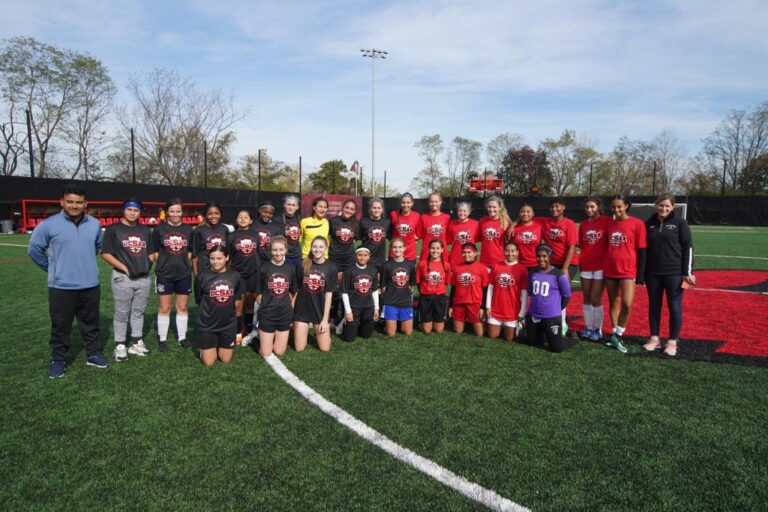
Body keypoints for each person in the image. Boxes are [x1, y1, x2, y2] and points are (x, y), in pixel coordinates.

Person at [28, 184, 110, 378]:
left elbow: (97, 246)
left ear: (85, 203)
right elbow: (34, 250)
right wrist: (54, 269)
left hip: (90, 284)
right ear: (62, 202)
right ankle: (58, 359)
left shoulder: (94, 224)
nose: (74, 206)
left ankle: (94, 354)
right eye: (70, 202)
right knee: (60, 326)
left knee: (90, 323)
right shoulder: (49, 224)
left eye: (79, 202)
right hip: (61, 286)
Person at [101, 198, 156, 361]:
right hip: (123, 278)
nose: (132, 213)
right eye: (129, 210)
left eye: (136, 210)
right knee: (122, 312)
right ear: (123, 210)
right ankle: (120, 345)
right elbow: (105, 253)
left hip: (143, 278)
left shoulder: (145, 230)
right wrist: (125, 268)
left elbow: (151, 252)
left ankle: (136, 342)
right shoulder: (113, 229)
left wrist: (147, 265)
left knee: (138, 311)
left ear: (140, 212)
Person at [643, 193, 695, 357]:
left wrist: (686, 272)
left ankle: (672, 341)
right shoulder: (648, 224)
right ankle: (654, 339)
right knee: (654, 306)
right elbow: (643, 250)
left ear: (673, 207)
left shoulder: (680, 223)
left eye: (667, 206)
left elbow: (688, 247)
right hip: (652, 273)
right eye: (660, 205)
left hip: (674, 273)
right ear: (655, 205)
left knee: (674, 306)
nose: (663, 208)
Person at [604, 195, 647, 354]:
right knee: (613, 302)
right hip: (609, 269)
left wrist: (641, 274)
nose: (616, 209)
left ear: (627, 206)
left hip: (628, 270)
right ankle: (614, 335)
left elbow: (642, 250)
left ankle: (619, 334)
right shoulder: (608, 223)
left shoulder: (637, 224)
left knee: (627, 304)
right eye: (613, 207)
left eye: (619, 206)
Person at [152, 198, 193, 351]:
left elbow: (190, 251)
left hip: (183, 274)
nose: (175, 214)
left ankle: (182, 337)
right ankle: (162, 339)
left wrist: (182, 263)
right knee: (164, 307)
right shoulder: (159, 229)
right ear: (166, 212)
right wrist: (164, 263)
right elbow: (155, 251)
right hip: (164, 274)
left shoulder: (188, 230)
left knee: (182, 306)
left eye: (178, 211)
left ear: (182, 212)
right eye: (172, 211)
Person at [194, 245, 243, 366]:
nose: (215, 262)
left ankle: (216, 345)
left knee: (225, 359)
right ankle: (205, 349)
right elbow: (199, 300)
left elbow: (237, 301)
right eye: (212, 258)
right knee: (209, 362)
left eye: (219, 258)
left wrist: (238, 329)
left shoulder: (235, 276)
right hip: (208, 325)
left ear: (227, 258)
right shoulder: (201, 277)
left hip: (228, 325)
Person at [256, 236, 298, 357]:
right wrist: (265, 306)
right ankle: (256, 338)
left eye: (280, 250)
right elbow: (257, 292)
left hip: (284, 314)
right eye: (274, 250)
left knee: (279, 352)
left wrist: (290, 306)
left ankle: (268, 337)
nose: (278, 253)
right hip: (267, 314)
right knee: (266, 352)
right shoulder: (263, 268)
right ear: (270, 251)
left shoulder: (290, 268)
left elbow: (294, 290)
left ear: (285, 250)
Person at [525, 245, 573, 353]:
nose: (541, 259)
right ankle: (543, 333)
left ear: (549, 257)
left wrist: (557, 309)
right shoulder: (532, 273)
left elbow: (567, 295)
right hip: (534, 315)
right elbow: (530, 291)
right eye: (538, 256)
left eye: (544, 256)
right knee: (532, 342)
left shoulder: (558, 275)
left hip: (551, 316)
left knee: (556, 348)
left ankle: (569, 339)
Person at [293, 236, 337, 352]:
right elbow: (296, 289)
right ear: (311, 248)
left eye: (321, 247)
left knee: (325, 348)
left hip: (319, 310)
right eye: (315, 246)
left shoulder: (331, 267)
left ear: (326, 248)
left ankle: (324, 333)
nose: (318, 250)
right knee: (299, 348)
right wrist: (292, 310)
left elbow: (329, 295)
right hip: (302, 310)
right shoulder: (302, 265)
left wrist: (325, 320)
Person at [578, 197, 610, 342]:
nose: (589, 210)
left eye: (592, 206)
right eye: (586, 207)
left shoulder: (607, 221)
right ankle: (588, 327)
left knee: (595, 298)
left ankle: (598, 329)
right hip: (585, 264)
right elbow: (581, 244)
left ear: (598, 207)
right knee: (586, 297)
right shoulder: (583, 224)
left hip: (601, 266)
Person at [227, 209, 260, 343]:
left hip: (252, 273)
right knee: (238, 305)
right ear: (236, 220)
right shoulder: (231, 236)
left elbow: (259, 254)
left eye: (246, 217)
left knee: (250, 304)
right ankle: (238, 332)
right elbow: (228, 257)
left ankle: (248, 329)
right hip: (238, 275)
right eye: (240, 217)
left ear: (251, 220)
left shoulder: (256, 235)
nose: (243, 219)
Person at [486, 240, 529, 342]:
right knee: (492, 336)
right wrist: (488, 307)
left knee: (510, 338)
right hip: (496, 310)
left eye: (513, 251)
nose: (510, 253)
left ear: (517, 252)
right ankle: (500, 326)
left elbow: (524, 293)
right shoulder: (496, 266)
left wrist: (521, 313)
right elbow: (490, 288)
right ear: (504, 251)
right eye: (507, 251)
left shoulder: (522, 269)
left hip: (512, 311)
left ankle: (518, 325)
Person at [339, 247, 380, 342]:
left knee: (366, 335)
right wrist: (348, 311)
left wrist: (376, 307)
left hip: (368, 306)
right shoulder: (349, 270)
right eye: (360, 255)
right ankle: (343, 322)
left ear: (369, 257)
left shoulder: (373, 269)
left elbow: (374, 290)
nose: (362, 258)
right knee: (349, 338)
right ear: (355, 256)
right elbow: (344, 292)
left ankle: (359, 324)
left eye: (365, 255)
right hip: (354, 306)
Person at [449, 243, 489, 336]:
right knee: (458, 331)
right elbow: (453, 288)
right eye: (464, 252)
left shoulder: (482, 268)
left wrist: (482, 307)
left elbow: (485, 289)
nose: (466, 255)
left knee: (480, 334)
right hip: (459, 302)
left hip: (474, 303)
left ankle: (480, 322)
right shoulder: (457, 267)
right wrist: (451, 305)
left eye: (469, 252)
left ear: (475, 253)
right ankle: (466, 321)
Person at [381, 238, 416, 337]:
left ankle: (398, 321)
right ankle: (385, 323)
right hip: (391, 302)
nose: (397, 250)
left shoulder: (410, 265)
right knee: (391, 333)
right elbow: (383, 287)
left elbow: (411, 285)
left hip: (405, 302)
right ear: (391, 248)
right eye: (395, 247)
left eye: (400, 247)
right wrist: (389, 297)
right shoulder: (386, 265)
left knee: (408, 332)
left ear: (404, 248)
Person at [416, 239, 451, 334]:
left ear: (442, 250)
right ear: (429, 249)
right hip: (426, 297)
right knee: (426, 330)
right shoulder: (422, 264)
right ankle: (422, 321)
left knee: (439, 330)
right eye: (432, 248)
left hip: (440, 298)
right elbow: (418, 282)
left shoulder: (446, 265)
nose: (435, 251)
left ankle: (433, 319)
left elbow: (446, 282)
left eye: (438, 248)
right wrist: (425, 292)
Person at [192, 202, 230, 276]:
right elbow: (194, 257)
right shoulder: (198, 231)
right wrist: (197, 276)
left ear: (221, 214)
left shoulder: (225, 229)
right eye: (210, 214)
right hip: (204, 271)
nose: (213, 216)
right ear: (205, 215)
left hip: (221, 270)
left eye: (216, 213)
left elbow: (227, 253)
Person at [360, 197, 391, 277]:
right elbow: (357, 238)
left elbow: (392, 238)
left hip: (381, 261)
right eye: (374, 208)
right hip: (366, 260)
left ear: (382, 209)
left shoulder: (386, 223)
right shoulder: (363, 222)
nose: (376, 210)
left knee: (378, 285)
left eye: (379, 208)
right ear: (370, 209)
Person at [478, 195, 511, 267]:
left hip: (500, 261)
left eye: (494, 207)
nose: (491, 209)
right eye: (489, 207)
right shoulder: (482, 221)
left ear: (499, 208)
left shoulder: (505, 222)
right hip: (484, 262)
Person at [417, 192, 451, 260]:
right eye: (432, 201)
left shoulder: (447, 218)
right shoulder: (423, 217)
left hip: (443, 255)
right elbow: (419, 236)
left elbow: (448, 238)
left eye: (436, 201)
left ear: (440, 202)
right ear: (428, 203)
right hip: (426, 255)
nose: (434, 204)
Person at [511, 203, 543, 271]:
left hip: (536, 264)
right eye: (522, 211)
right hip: (519, 264)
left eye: (528, 211)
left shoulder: (540, 226)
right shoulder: (514, 229)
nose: (525, 214)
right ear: (519, 214)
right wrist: (512, 226)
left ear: (533, 214)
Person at [447, 201, 480, 269]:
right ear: (457, 211)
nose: (462, 213)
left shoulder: (476, 224)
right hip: (455, 258)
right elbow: (448, 241)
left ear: (469, 212)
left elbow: (476, 239)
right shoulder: (452, 225)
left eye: (465, 211)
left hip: (470, 257)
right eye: (460, 211)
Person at [390, 192, 420, 262]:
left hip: (410, 254)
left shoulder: (416, 216)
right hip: (395, 252)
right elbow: (390, 231)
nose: (406, 205)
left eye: (408, 203)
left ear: (412, 203)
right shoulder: (394, 214)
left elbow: (418, 234)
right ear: (400, 203)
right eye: (403, 202)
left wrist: (415, 238)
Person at [278, 194, 302, 267]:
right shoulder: (277, 219)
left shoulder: (300, 219)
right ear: (284, 205)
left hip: (297, 255)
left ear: (297, 207)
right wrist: (283, 233)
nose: (291, 207)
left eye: (293, 205)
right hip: (283, 255)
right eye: (288, 204)